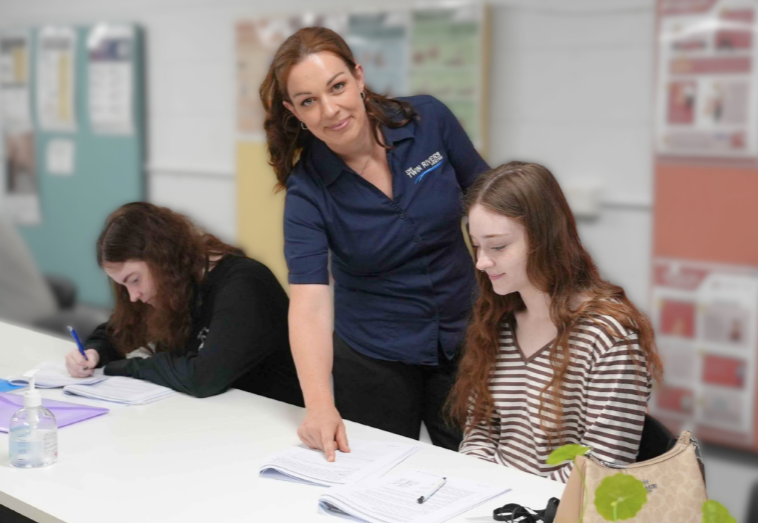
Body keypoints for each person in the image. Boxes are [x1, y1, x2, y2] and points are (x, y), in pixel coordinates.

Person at [259, 27, 489, 459]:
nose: (330, 110)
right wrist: (319, 405)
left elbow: (491, 207)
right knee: (377, 474)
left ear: (359, 77)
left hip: (467, 337)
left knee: (478, 469)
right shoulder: (308, 191)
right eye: (308, 101)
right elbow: (309, 303)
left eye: (337, 86)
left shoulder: (427, 121)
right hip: (374, 357)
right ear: (294, 112)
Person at [449, 162, 662, 482]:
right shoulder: (498, 319)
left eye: (498, 246)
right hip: (498, 499)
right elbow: (480, 433)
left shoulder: (609, 335)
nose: (481, 262)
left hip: (558, 504)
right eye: (477, 246)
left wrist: (517, 500)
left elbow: (601, 467)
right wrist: (478, 486)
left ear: (544, 239)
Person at [64, 202, 303, 405]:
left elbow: (203, 378)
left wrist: (125, 367)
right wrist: (94, 352)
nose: (133, 296)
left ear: (162, 258)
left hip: (271, 421)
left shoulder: (244, 285)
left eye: (135, 280)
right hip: (217, 413)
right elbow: (119, 330)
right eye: (124, 285)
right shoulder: (172, 286)